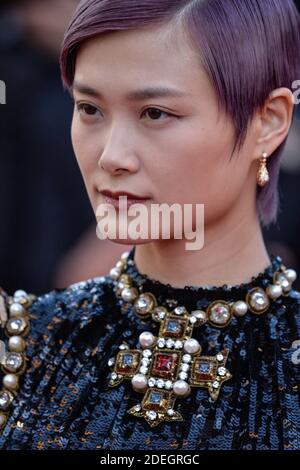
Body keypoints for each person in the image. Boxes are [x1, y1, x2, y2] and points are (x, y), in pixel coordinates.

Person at [0, 0, 300, 451]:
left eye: (155, 113)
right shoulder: (19, 344)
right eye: (89, 109)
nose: (111, 156)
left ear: (268, 120)